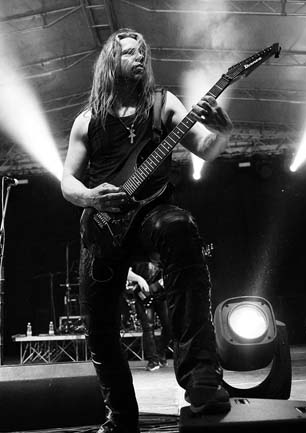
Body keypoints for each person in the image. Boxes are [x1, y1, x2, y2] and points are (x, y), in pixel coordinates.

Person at [61, 28, 233, 433]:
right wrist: (91, 197)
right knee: (100, 327)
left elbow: (205, 148)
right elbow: (67, 182)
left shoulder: (163, 104)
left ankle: (201, 378)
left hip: (152, 213)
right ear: (110, 63)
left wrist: (223, 132)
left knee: (179, 226)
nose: (139, 56)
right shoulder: (87, 121)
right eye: (128, 52)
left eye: (142, 51)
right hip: (104, 225)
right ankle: (121, 418)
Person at [127, 260, 172, 371]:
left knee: (169, 325)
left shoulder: (160, 254)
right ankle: (153, 360)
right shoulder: (135, 254)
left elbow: (171, 271)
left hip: (160, 293)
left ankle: (160, 352)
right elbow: (126, 272)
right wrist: (139, 279)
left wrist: (159, 284)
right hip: (143, 293)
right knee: (148, 327)